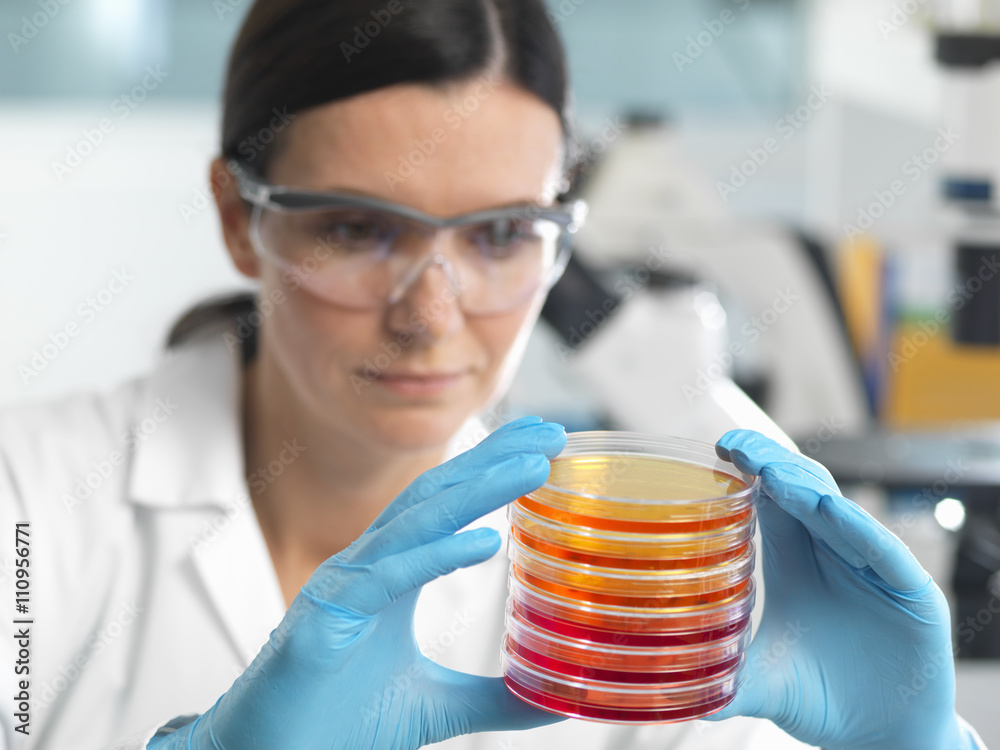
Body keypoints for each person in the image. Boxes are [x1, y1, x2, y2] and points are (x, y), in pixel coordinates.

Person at [0, 1, 987, 748]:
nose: (431, 314)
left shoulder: (620, 588)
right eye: (356, 228)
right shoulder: (30, 503)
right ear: (236, 218)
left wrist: (910, 743)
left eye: (504, 234)